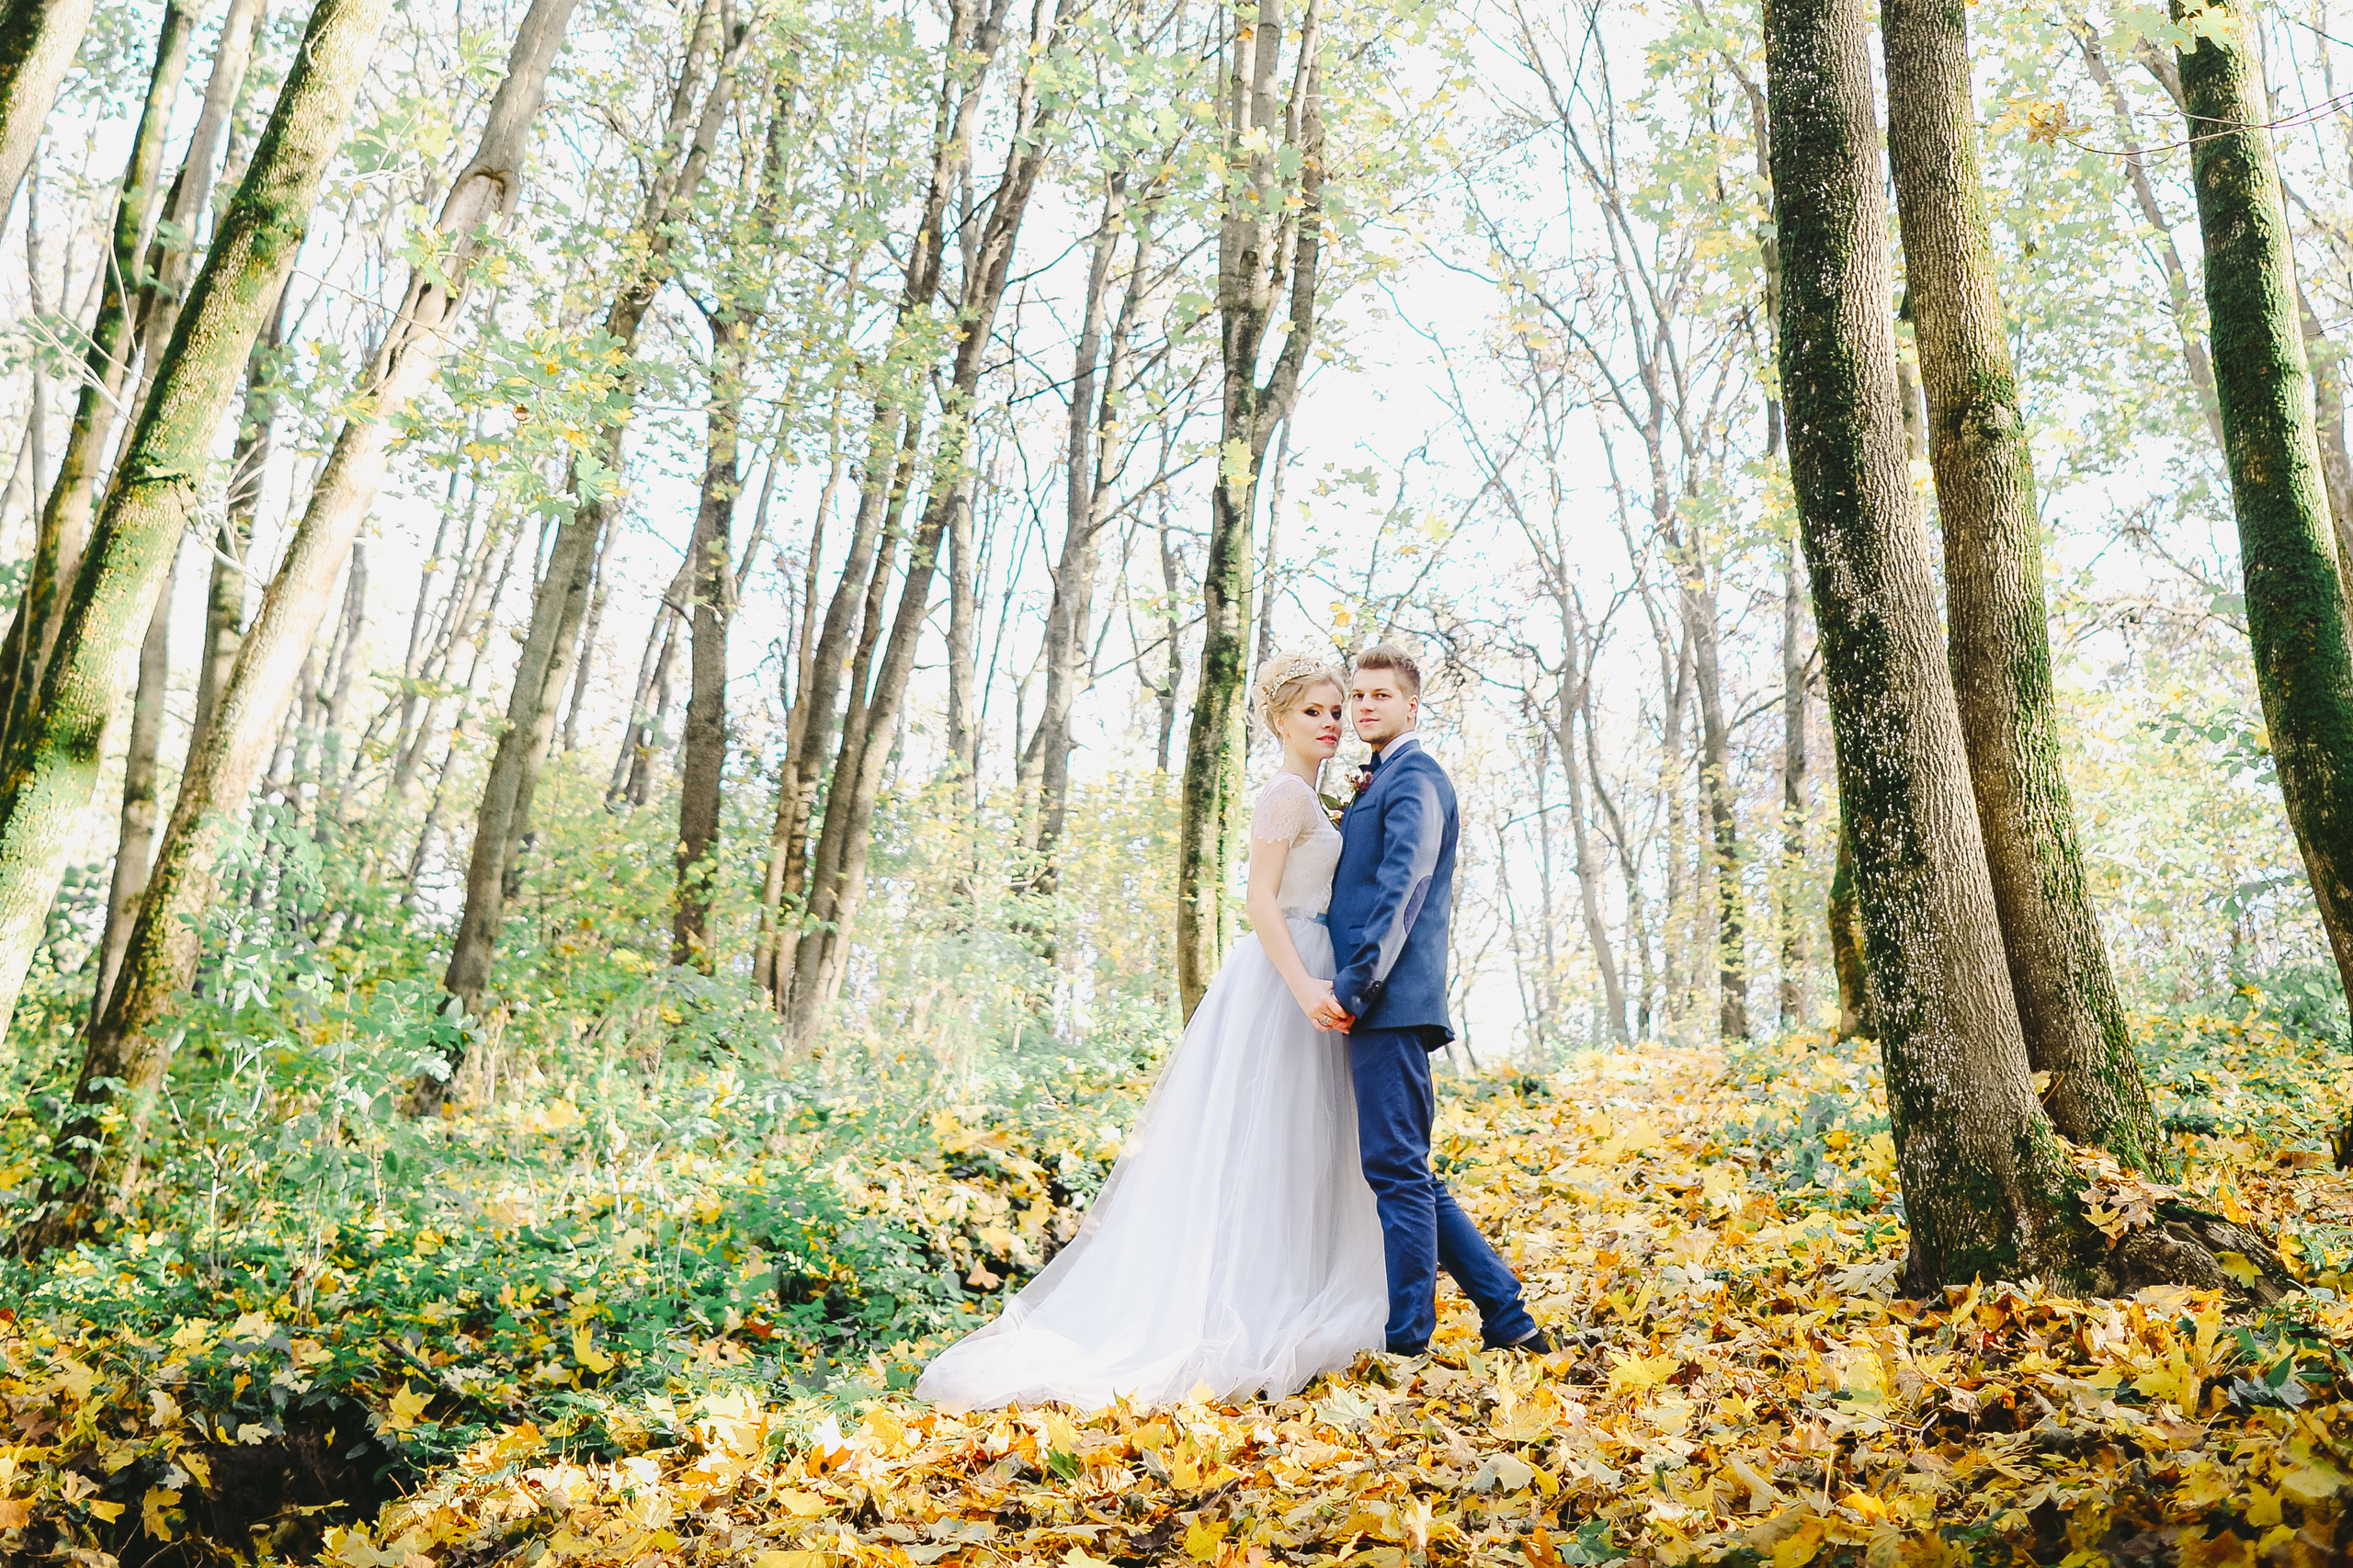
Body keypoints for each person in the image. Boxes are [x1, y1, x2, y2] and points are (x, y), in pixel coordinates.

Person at [916, 653, 1385, 1409]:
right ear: (1279, 720)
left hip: (1315, 964)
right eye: (1314, 713)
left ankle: (1292, 1287)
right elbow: (1260, 901)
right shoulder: (1285, 794)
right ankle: (1247, 1307)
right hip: (1286, 975)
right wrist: (1304, 985)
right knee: (1269, 1142)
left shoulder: (1316, 796)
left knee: (1302, 1144)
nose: (1331, 723)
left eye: (1336, 712)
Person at [1321, 643, 1549, 1356]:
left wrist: (1356, 987)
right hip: (1379, 1004)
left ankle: (1409, 1344)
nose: (1363, 706)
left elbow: (1402, 892)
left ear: (1411, 706)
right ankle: (1508, 1318)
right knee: (1406, 1167)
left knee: (1396, 1173)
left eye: (1379, 696)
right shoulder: (1379, 778)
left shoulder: (1416, 778)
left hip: (1388, 1001)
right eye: (1357, 695)